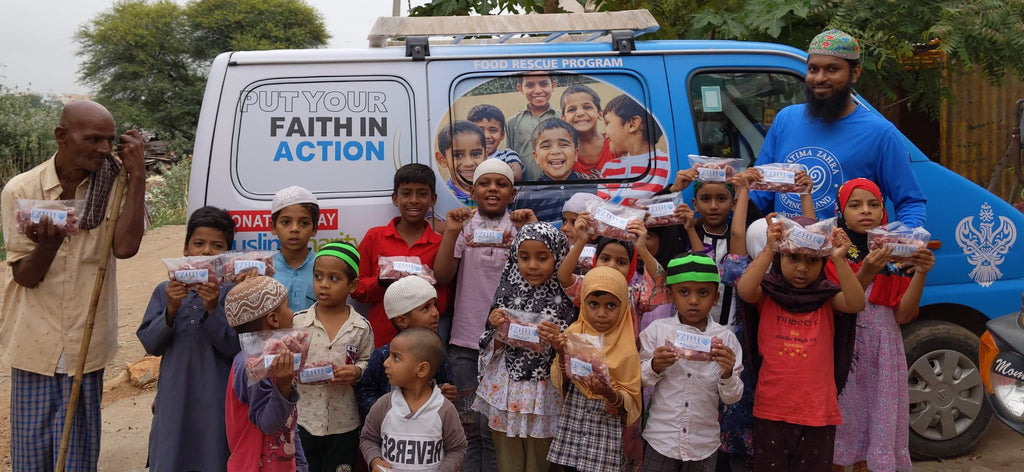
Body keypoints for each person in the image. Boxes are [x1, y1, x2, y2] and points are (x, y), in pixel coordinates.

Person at [1, 100, 146, 470]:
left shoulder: (116, 183)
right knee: (31, 456)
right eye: (93, 139)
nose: (104, 148)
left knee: (77, 455)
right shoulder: (22, 189)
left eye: (109, 140)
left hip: (87, 341)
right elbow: (25, 277)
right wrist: (47, 246)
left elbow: (125, 248)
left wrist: (138, 178)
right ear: (61, 137)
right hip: (35, 341)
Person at [748, 29, 927, 227]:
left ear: (855, 73)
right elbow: (760, 191)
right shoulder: (786, 119)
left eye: (832, 69)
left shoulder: (880, 133)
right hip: (783, 245)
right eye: (813, 69)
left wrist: (902, 240)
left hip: (845, 247)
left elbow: (910, 203)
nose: (819, 78)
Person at [736, 215, 866, 472]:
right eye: (793, 257)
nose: (802, 268)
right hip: (771, 410)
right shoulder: (768, 295)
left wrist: (839, 259)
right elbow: (745, 290)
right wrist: (769, 248)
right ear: (779, 258)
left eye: (812, 260)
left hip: (818, 413)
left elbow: (856, 303)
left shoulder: (827, 298)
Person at [433, 159, 536, 472]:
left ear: (512, 194)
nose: (493, 189)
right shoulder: (465, 226)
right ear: (472, 191)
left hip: (507, 346)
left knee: (495, 431)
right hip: (465, 343)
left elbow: (540, 276)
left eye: (501, 184)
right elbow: (442, 275)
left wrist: (530, 228)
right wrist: (452, 232)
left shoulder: (520, 228)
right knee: (467, 427)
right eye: (484, 183)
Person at [826, 179, 934, 472]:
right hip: (844, 353)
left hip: (884, 356)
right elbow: (842, 304)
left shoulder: (897, 254)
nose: (866, 211)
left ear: (884, 211)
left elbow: (902, 315)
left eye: (874, 204)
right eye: (855, 205)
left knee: (876, 427)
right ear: (840, 211)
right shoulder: (834, 252)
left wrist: (921, 273)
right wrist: (868, 270)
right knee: (840, 432)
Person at [137, 206, 239, 471]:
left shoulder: (233, 294)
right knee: (171, 455)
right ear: (185, 249)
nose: (206, 251)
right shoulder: (165, 292)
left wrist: (213, 308)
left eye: (217, 246)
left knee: (214, 456)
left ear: (227, 254)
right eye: (199, 243)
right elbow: (150, 344)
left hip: (217, 401)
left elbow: (235, 348)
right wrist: (171, 310)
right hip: (174, 399)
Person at [474, 222, 577, 472]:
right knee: (507, 462)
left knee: (538, 464)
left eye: (542, 258)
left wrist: (559, 341)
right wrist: (497, 329)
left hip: (545, 394)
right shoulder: (507, 292)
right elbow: (489, 345)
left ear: (559, 257)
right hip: (507, 390)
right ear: (514, 257)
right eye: (524, 257)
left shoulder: (570, 298)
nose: (532, 265)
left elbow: (579, 351)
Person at [639, 253, 744, 472]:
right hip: (662, 439)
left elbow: (732, 397)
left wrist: (727, 373)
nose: (694, 300)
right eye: (684, 292)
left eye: (703, 293)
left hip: (703, 444)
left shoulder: (725, 340)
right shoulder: (657, 331)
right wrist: (655, 365)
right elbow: (640, 380)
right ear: (670, 295)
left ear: (715, 298)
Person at [544, 267, 643, 472]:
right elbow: (564, 383)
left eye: (611, 305)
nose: (601, 313)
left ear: (624, 307)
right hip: (574, 422)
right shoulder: (574, 334)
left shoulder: (627, 350)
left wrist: (608, 393)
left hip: (605, 428)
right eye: (593, 304)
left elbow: (629, 404)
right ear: (583, 303)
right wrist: (561, 353)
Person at [293, 241, 374, 472]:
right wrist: (294, 370)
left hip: (344, 423)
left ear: (352, 285)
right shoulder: (298, 322)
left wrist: (357, 371)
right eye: (318, 276)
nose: (324, 284)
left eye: (334, 278)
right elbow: (287, 360)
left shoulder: (360, 327)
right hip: (303, 420)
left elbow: (367, 361)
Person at [353, 163, 451, 347]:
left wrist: (425, 287)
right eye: (406, 193)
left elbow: (445, 303)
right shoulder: (375, 237)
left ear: (433, 199)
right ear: (395, 198)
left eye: (422, 194)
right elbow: (356, 289)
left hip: (424, 345)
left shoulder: (440, 245)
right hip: (381, 341)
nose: (414, 200)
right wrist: (380, 282)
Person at [224, 276, 308, 472]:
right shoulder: (252, 366)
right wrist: (283, 385)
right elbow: (268, 423)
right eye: (287, 306)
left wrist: (300, 465)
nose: (292, 312)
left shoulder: (275, 358)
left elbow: (289, 425)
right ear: (273, 319)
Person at [359, 328, 469, 472]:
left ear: (422, 369)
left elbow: (457, 448)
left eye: (396, 357)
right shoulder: (384, 405)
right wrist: (375, 460)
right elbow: (368, 439)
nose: (386, 362)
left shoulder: (444, 409)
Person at [356, 275, 458, 416]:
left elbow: (445, 384)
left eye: (435, 305)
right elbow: (365, 392)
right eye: (426, 308)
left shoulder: (437, 354)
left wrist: (446, 392)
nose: (435, 312)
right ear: (402, 321)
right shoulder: (382, 356)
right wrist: (386, 413)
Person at [598, 94, 670, 204]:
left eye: (607, 123)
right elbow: (602, 207)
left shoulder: (667, 165)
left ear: (633, 124)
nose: (604, 131)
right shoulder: (609, 169)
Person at [271, 185, 320, 313]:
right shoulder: (266, 268)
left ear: (314, 229)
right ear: (273, 227)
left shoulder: (323, 266)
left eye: (304, 223)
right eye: (286, 222)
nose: (295, 229)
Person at [505, 72, 560, 180]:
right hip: (525, 186)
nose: (538, 90)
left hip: (557, 185)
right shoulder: (512, 122)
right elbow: (510, 158)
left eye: (544, 84)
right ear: (520, 88)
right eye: (530, 85)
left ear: (553, 86)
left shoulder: (562, 118)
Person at [559, 84, 616, 179]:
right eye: (572, 110)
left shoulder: (615, 145)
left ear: (600, 114)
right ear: (563, 119)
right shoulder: (561, 152)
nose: (580, 113)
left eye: (587, 107)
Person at [435, 120, 489, 208]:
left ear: (486, 156)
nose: (468, 163)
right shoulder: (439, 195)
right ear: (442, 160)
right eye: (457, 155)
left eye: (476, 154)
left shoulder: (495, 191)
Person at [468, 103, 525, 182]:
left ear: (502, 135)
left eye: (493, 130)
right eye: (480, 130)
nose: (486, 136)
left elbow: (516, 175)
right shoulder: (467, 157)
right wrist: (504, 172)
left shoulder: (508, 155)